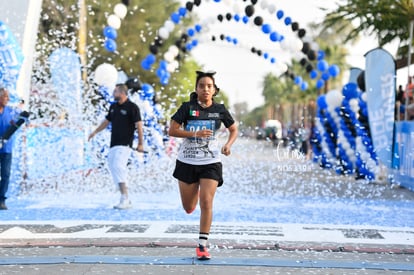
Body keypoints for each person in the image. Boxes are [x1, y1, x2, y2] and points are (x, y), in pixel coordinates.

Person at [168, 71, 238, 260]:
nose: (205, 89)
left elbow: (233, 129)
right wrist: (194, 134)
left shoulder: (220, 110)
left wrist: (228, 145)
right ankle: (194, 191)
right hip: (187, 162)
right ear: (196, 89)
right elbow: (172, 130)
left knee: (206, 202)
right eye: (201, 86)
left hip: (211, 162)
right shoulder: (187, 108)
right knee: (189, 207)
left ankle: (202, 245)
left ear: (214, 90)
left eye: (209, 86)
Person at [88, 84, 144, 209]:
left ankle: (125, 197)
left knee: (118, 166)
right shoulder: (113, 107)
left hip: (125, 144)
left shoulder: (132, 107)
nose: (113, 93)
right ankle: (124, 197)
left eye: (115, 91)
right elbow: (106, 121)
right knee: (113, 167)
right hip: (114, 144)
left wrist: (140, 143)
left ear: (122, 93)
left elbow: (139, 126)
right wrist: (95, 132)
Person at [0, 88, 22, 210]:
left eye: (8, 97)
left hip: (6, 149)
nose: (7, 99)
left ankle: (1, 200)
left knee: (6, 175)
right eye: (5, 97)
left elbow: (23, 118)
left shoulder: (11, 112)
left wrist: (17, 123)